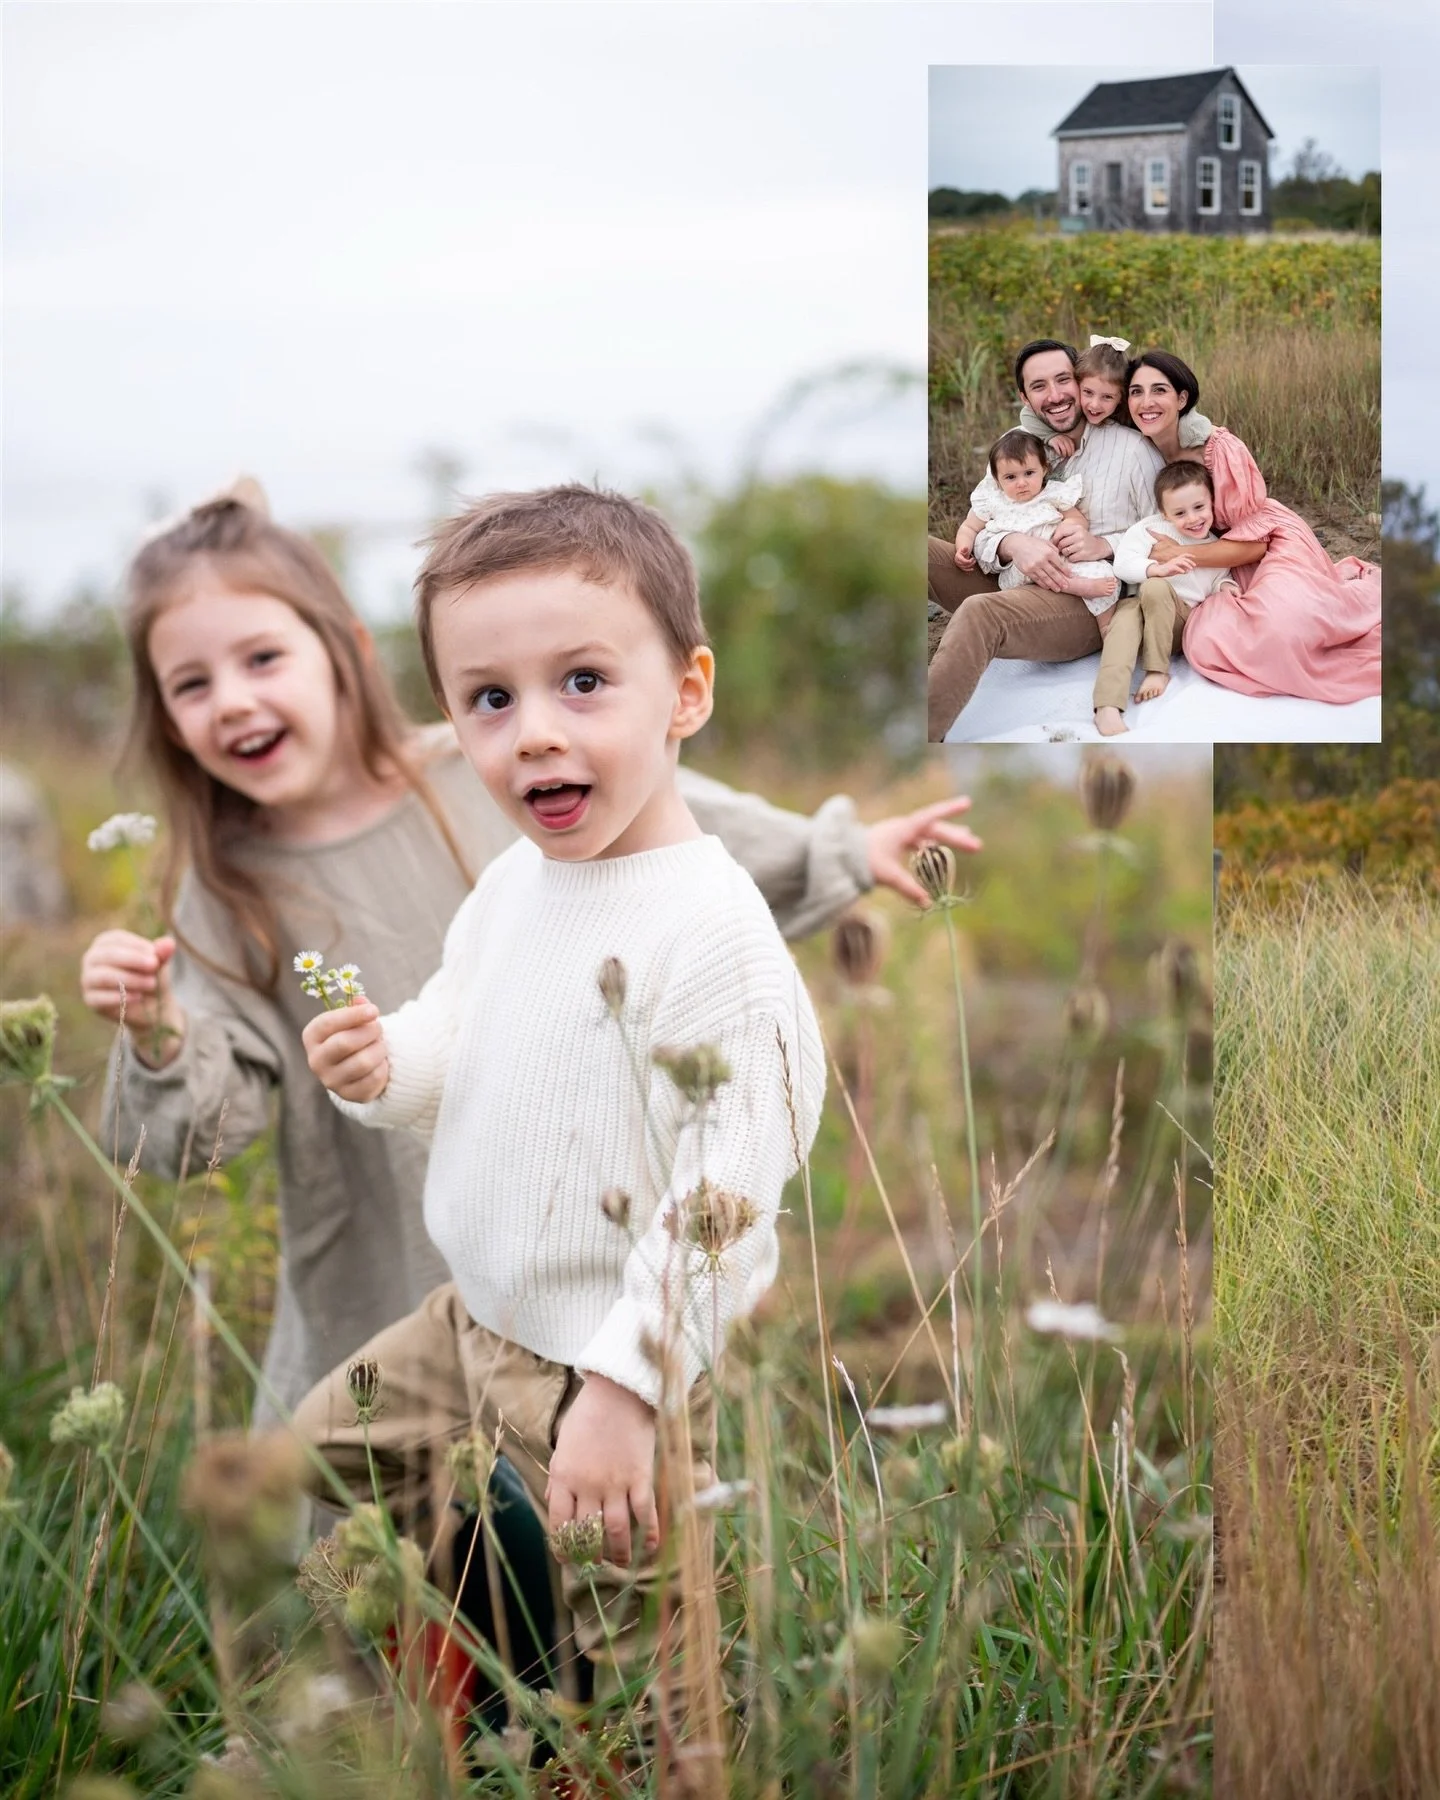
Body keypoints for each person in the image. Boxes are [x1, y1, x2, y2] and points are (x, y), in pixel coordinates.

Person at [79, 483, 981, 1426]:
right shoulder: (225, 887)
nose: (234, 701)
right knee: (387, 1522)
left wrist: (836, 853)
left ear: (343, 648)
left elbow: (675, 828)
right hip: (388, 1267)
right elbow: (201, 1134)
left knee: (572, 1518)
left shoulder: (479, 773)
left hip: (589, 1273)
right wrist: (160, 1036)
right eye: (192, 684)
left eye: (262, 657)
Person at [291, 483, 827, 1722]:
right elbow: (458, 1033)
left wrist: (628, 1389)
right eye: (490, 699)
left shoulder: (711, 931)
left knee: (630, 1654)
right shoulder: (517, 886)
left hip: (593, 1366)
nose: (532, 732)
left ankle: (588, 1741)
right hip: (467, 1321)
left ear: (687, 692)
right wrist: (387, 1065)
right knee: (321, 1454)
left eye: (582, 682)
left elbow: (726, 1193)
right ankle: (472, 1652)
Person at [927, 339, 1162, 742]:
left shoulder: (1132, 449)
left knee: (980, 612)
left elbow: (1164, 531)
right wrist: (1012, 544)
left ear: (1083, 380)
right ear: (1024, 396)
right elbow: (982, 521)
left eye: (1063, 380)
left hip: (1086, 596)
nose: (1054, 396)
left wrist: (1104, 545)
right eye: (1039, 386)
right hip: (1012, 577)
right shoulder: (1017, 444)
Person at [1123, 350, 1382, 705]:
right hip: (1215, 562)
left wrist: (1182, 552)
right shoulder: (1139, 450)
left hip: (1266, 544)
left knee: (1283, 629)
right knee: (1207, 640)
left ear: (1182, 398)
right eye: (1136, 392)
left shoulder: (1219, 449)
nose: (1146, 402)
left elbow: (1254, 544)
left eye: (1159, 390)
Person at [1093, 461, 1264, 735]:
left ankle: (1157, 669)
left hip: (1177, 619)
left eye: (1199, 508)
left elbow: (1219, 578)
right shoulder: (1148, 530)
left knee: (1156, 588)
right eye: (1180, 513)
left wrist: (1227, 587)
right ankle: (1107, 707)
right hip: (1138, 607)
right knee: (1122, 624)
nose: (1193, 519)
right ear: (1164, 513)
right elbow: (1122, 564)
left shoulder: (1213, 546)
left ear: (1211, 502)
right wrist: (1154, 568)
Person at [951, 428, 1118, 607]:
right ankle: (1077, 587)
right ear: (997, 479)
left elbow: (1078, 520)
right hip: (1020, 570)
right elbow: (970, 527)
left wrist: (1067, 527)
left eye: (1029, 473)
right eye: (1010, 477)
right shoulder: (993, 501)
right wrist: (963, 547)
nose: (1021, 483)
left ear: (1044, 469)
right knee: (1040, 570)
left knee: (1099, 569)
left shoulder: (1052, 494)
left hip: (1057, 558)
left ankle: (1104, 622)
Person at [1017, 335, 1212, 462]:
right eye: (1088, 392)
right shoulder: (1075, 410)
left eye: (1107, 397)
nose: (1094, 404)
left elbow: (1185, 416)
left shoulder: (1133, 410)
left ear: (1122, 396)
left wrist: (1198, 436)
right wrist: (1051, 436)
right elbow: (1027, 415)